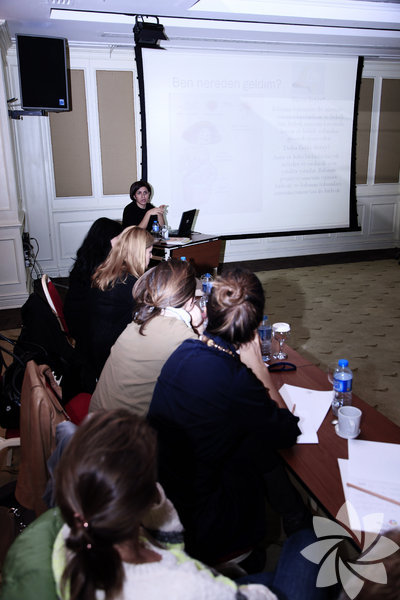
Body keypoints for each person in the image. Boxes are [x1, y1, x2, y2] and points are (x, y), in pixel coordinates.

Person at [0, 409, 326, 600]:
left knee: (273, 576)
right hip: (211, 589)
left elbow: (174, 547)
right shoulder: (181, 586)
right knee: (308, 542)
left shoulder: (76, 528)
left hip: (199, 580)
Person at [148, 267, 310, 565]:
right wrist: (259, 367)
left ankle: (294, 513)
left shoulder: (184, 350)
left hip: (163, 491)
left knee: (248, 434)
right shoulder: (236, 380)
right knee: (258, 443)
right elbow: (288, 432)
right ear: (256, 326)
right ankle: (282, 536)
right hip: (202, 521)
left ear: (207, 311)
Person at [89, 258, 203, 416]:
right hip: (128, 429)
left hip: (96, 421)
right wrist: (198, 327)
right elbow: (206, 380)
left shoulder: (137, 323)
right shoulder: (181, 336)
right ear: (190, 302)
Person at [88, 226, 153, 379]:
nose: (151, 256)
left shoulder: (108, 271)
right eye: (149, 252)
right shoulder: (130, 284)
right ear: (138, 253)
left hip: (95, 345)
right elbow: (151, 315)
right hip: (113, 357)